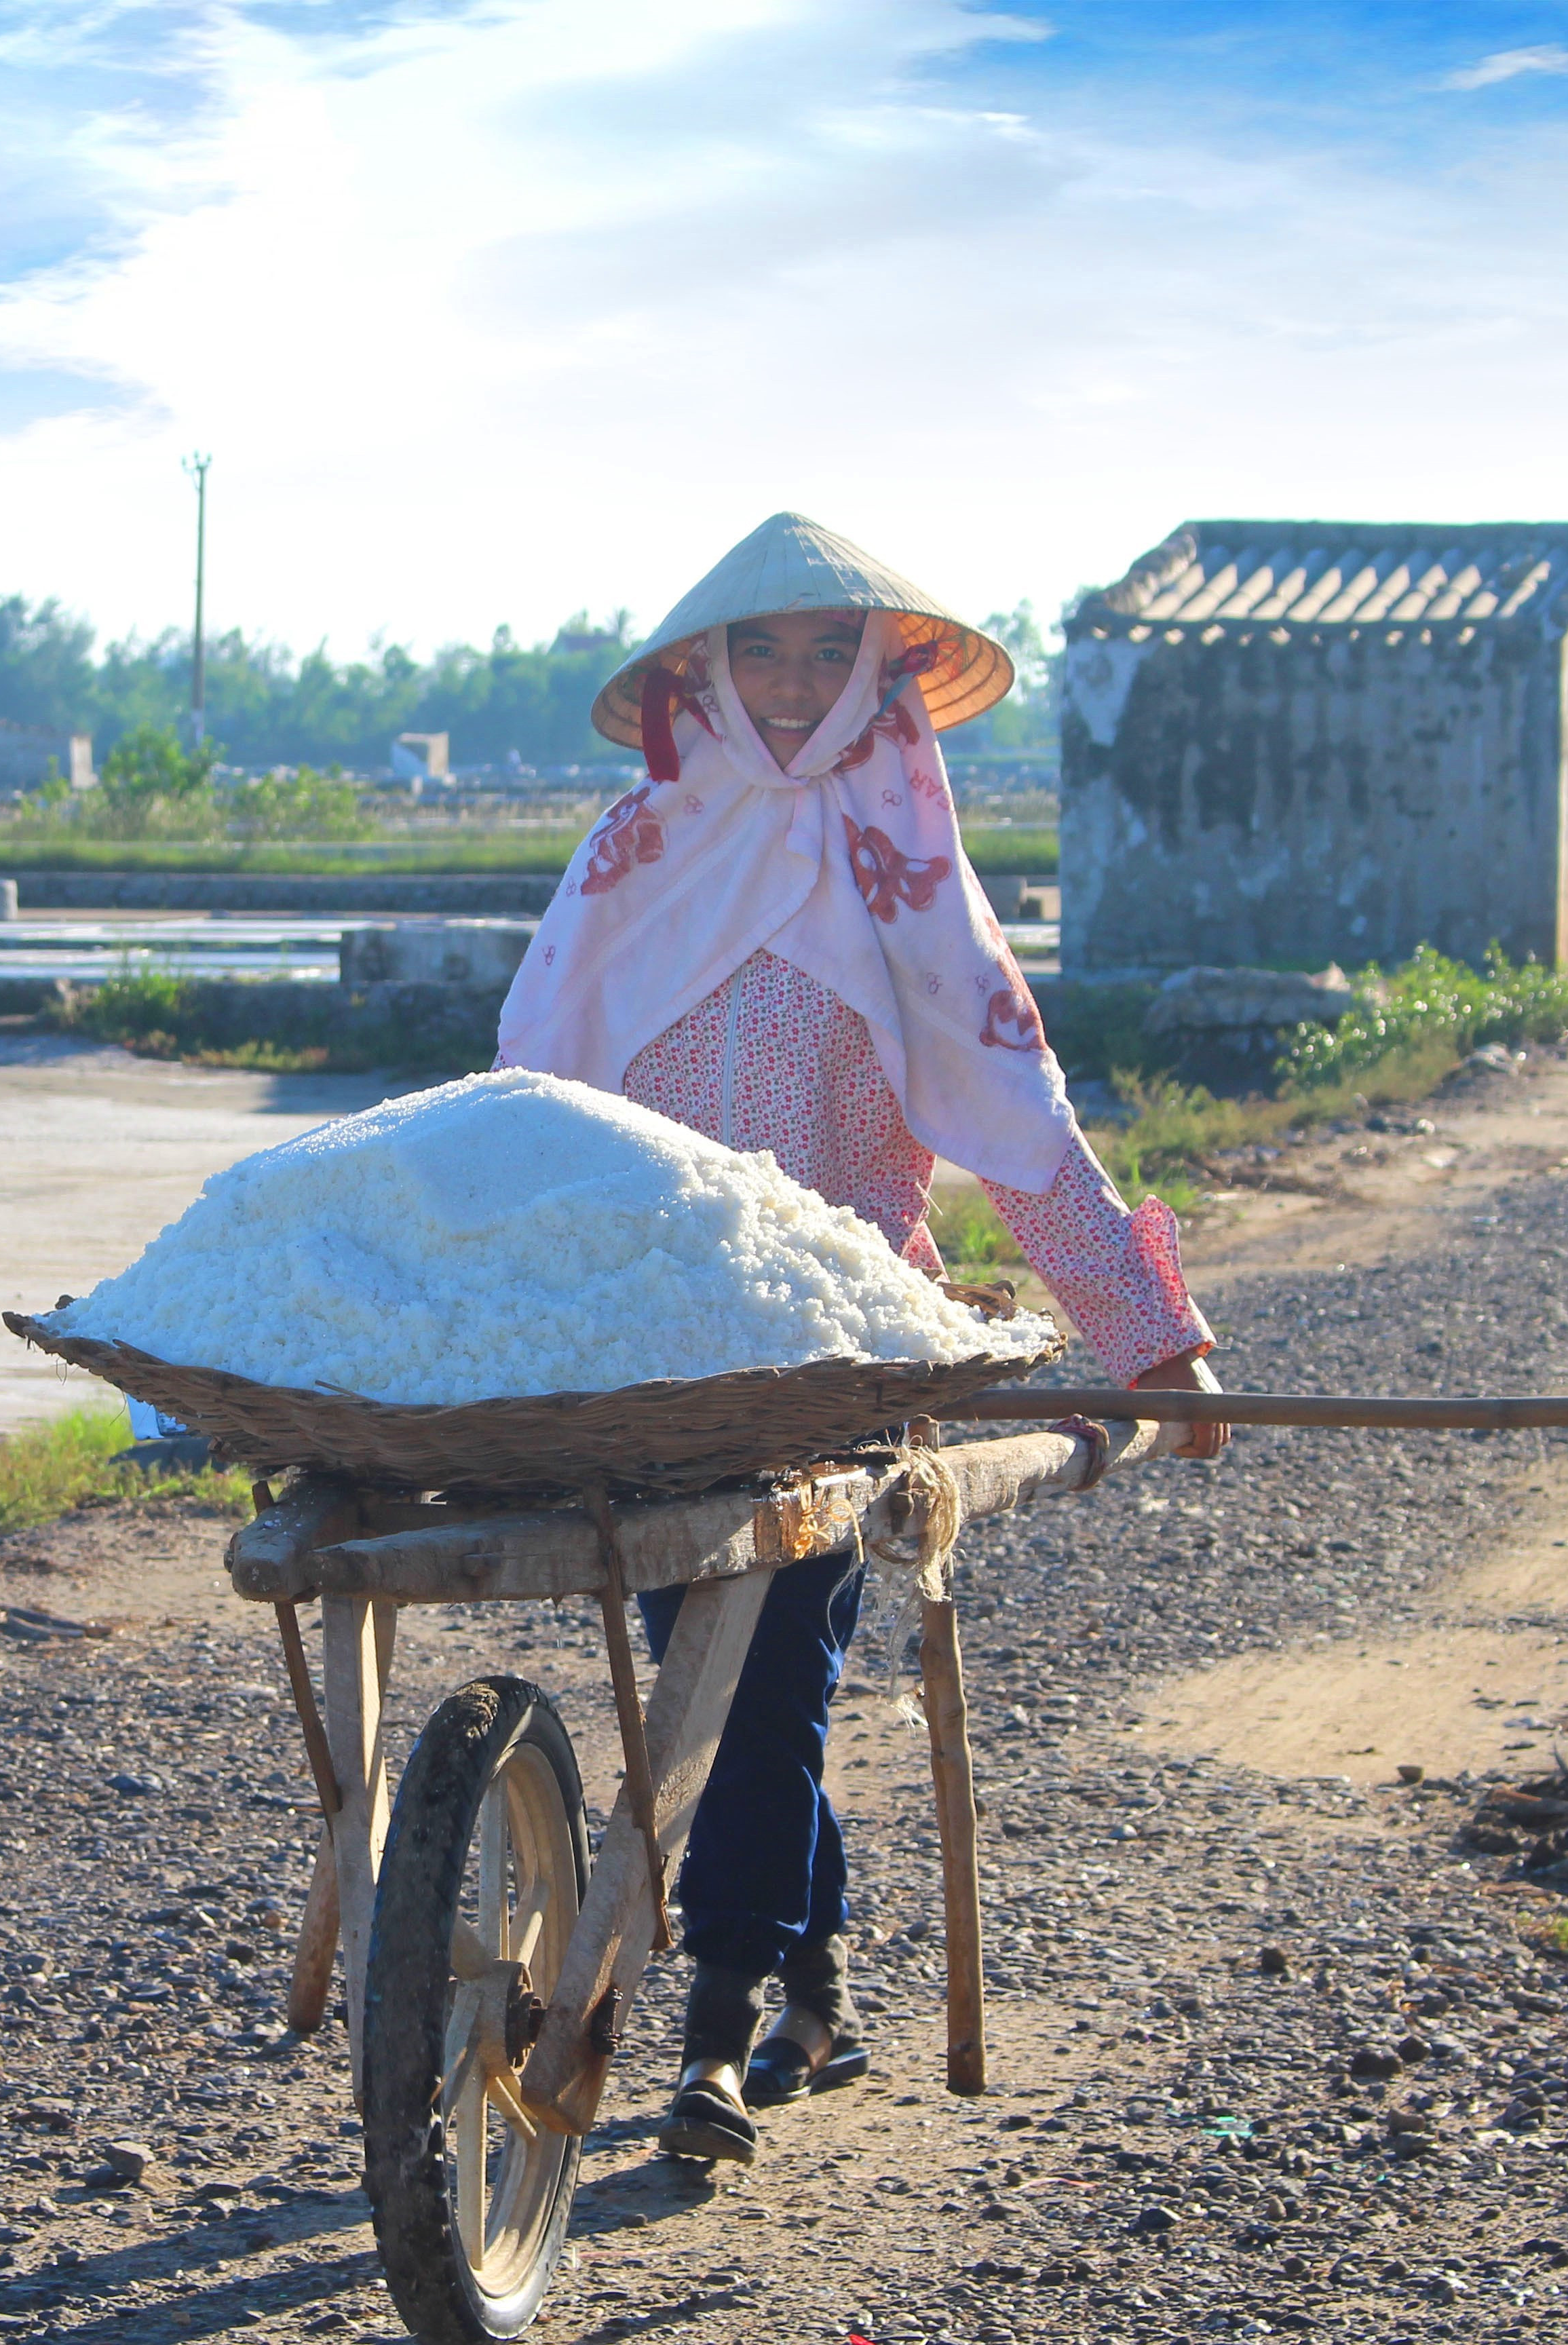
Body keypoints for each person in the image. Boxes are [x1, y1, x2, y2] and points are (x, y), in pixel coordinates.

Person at [495, 512, 1222, 2162]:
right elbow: (522, 1103)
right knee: (704, 1673)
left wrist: (1152, 1343)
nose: (800, 682)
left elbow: (1016, 1112)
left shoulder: (903, 859)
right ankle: (813, 1979)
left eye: (837, 654)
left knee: (765, 1700)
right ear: (706, 670)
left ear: (885, 676)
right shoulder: (628, 857)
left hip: (844, 1351)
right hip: (654, 1348)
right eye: (767, 651)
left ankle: (716, 2033)